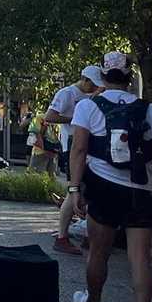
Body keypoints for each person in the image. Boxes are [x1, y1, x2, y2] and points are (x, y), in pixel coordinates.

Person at [69, 51, 152, 302]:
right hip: (140, 190)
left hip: (104, 186)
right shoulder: (150, 110)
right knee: (140, 258)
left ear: (103, 76)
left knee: (98, 251)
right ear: (130, 79)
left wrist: (75, 188)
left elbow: (79, 150)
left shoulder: (89, 106)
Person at [46, 65, 105, 254]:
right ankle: (62, 237)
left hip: (89, 148)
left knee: (88, 191)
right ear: (84, 79)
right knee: (75, 191)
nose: (95, 88)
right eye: (93, 84)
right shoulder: (67, 94)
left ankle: (87, 234)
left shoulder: (93, 95)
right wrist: (76, 119)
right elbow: (50, 116)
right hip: (72, 147)